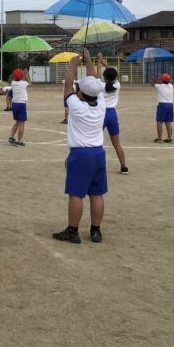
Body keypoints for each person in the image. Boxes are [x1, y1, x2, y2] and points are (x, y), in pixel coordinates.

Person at [52, 50, 107, 244]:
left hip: (81, 154)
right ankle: (96, 231)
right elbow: (94, 82)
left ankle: (72, 231)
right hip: (98, 153)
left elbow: (68, 85)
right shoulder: (101, 103)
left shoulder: (77, 106)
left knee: (76, 194)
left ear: (81, 93)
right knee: (97, 193)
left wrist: (73, 65)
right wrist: (89, 60)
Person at [97, 54, 128, 173]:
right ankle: (124, 166)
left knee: (96, 142)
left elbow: (97, 75)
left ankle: (97, 166)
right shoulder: (117, 85)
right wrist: (105, 65)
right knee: (117, 143)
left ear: (104, 77)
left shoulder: (100, 85)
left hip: (100, 113)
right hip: (112, 114)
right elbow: (114, 75)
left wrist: (99, 61)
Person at [8, 68, 31, 146]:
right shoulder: (23, 83)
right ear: (22, 77)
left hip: (14, 104)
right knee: (22, 123)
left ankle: (11, 137)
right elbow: (30, 83)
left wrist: (22, 76)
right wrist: (26, 76)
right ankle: (19, 140)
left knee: (17, 122)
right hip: (21, 105)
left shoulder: (13, 83)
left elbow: (17, 78)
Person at [151, 72, 174, 143]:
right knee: (168, 122)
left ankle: (159, 138)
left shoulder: (159, 86)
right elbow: (162, 82)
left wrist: (152, 78)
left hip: (162, 105)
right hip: (170, 105)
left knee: (159, 121)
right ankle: (169, 138)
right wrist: (155, 79)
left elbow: (153, 84)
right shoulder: (171, 86)